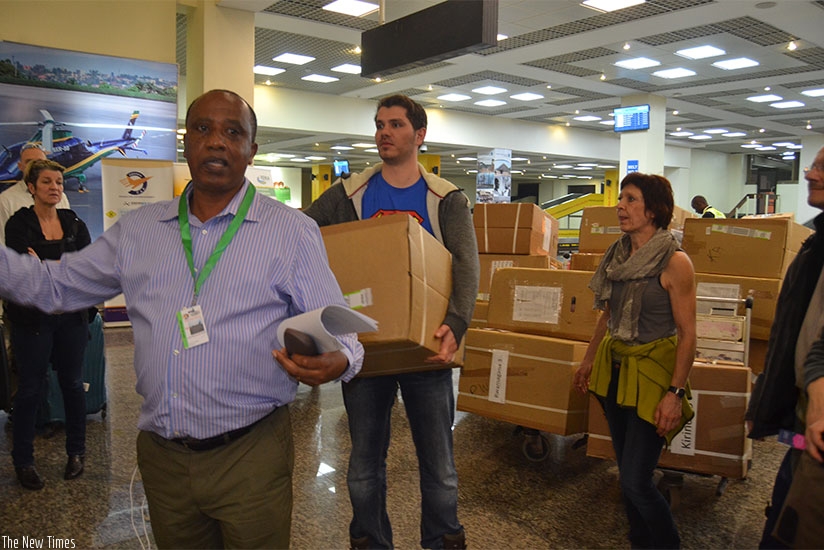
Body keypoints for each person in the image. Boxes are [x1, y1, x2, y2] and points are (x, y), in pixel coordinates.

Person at [0, 89, 364, 549]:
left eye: (233, 132)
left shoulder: (291, 233)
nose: (216, 142)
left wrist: (340, 361)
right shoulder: (138, 231)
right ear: (185, 143)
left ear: (251, 150)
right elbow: (56, 285)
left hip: (250, 455)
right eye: (203, 129)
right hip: (163, 459)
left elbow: (340, 330)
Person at [304, 94, 479, 550]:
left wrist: (457, 323)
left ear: (419, 135)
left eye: (396, 124)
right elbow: (302, 229)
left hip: (427, 350)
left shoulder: (445, 198)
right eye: (380, 124)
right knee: (363, 465)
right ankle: (369, 541)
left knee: (438, 465)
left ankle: (442, 539)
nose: (384, 132)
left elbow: (466, 264)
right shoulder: (350, 193)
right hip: (365, 350)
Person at [573, 172, 696, 549]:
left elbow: (688, 333)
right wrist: (589, 358)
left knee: (636, 479)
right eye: (620, 198)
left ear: (654, 210)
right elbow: (608, 315)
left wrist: (674, 393)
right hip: (615, 371)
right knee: (625, 471)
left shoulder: (675, 262)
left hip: (651, 375)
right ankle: (639, 541)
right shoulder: (617, 255)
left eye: (630, 199)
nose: (620, 206)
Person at [746, 146, 824, 548]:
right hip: (802, 418)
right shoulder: (816, 244)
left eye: (820, 167)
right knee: (783, 503)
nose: (809, 174)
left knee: (792, 524)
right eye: (811, 165)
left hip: (816, 423)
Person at [5, 159, 90, 490]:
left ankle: (77, 453)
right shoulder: (19, 223)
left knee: (72, 384)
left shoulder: (73, 222)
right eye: (47, 182)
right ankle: (23, 461)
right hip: (33, 321)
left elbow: (85, 269)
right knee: (30, 388)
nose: (55, 187)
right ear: (31, 188)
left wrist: (44, 263)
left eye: (59, 182)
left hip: (70, 318)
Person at [0, 143, 70, 246]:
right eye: (29, 162)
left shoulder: (61, 197)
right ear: (20, 166)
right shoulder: (6, 200)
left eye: (40, 162)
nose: (35, 166)